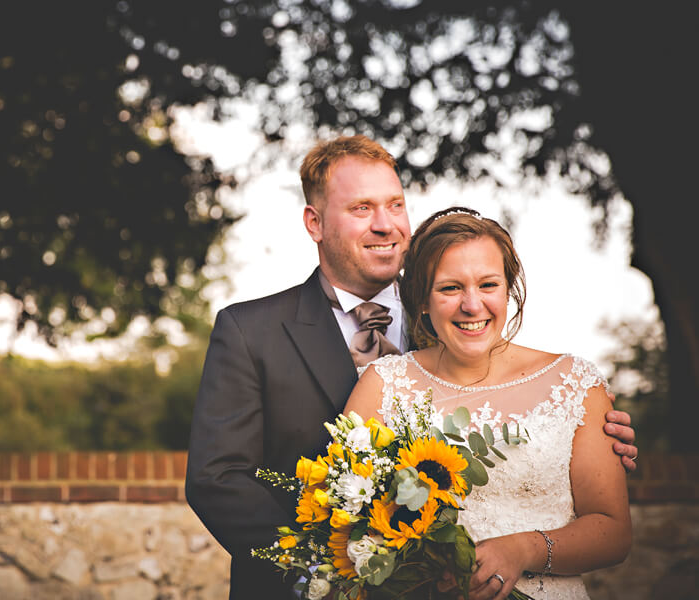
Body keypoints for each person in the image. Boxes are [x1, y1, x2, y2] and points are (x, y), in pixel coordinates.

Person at [185, 136, 637, 600]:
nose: (386, 225)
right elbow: (216, 480)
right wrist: (329, 570)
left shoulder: (455, 310)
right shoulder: (249, 330)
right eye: (362, 208)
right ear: (314, 222)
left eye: (395, 204)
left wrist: (587, 432)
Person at [344, 206, 632, 599]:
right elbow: (344, 519)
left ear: (509, 289)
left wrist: (524, 548)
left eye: (488, 285)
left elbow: (613, 533)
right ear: (423, 301)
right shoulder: (381, 385)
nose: (472, 305)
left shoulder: (575, 385)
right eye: (450, 288)